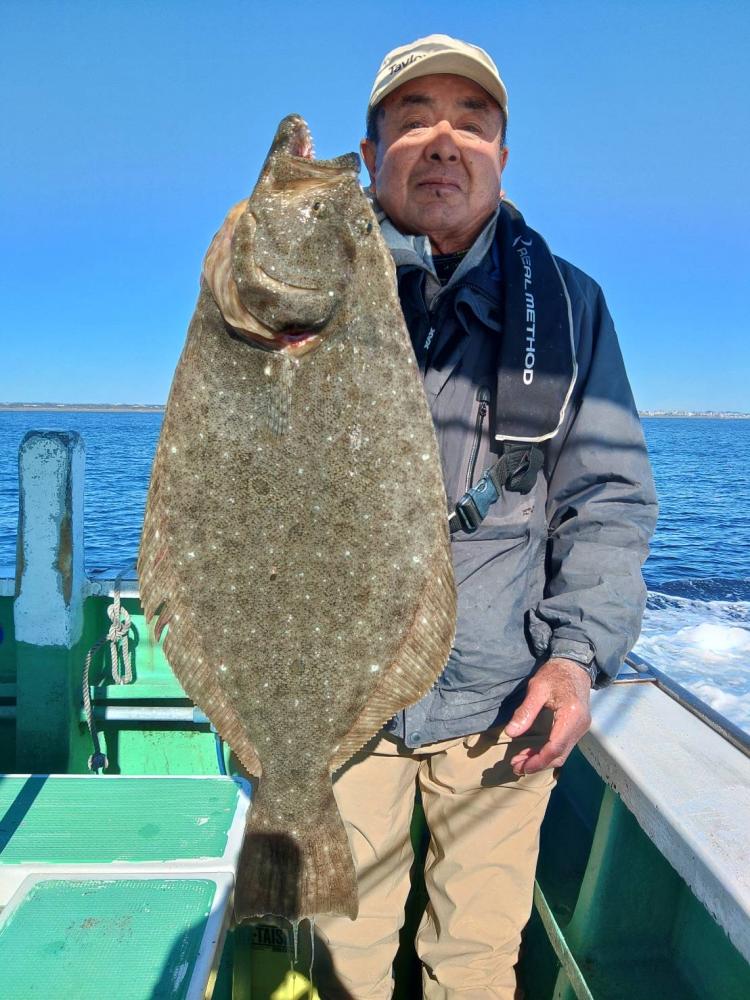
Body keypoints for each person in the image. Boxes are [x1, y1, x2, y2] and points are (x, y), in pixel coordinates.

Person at [314, 34, 658, 999]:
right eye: (413, 119)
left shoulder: (571, 307)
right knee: (340, 958)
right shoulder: (307, 296)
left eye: (472, 123)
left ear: (502, 155)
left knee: (474, 965)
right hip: (340, 698)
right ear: (370, 152)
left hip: (503, 702)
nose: (443, 141)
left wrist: (575, 658)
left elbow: (607, 497)